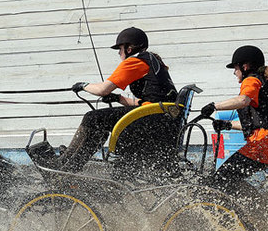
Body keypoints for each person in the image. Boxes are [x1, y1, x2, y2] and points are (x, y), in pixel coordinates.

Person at [29, 27, 178, 174]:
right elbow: (147, 103)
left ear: (129, 48)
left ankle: (66, 165)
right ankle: (71, 160)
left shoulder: (135, 62)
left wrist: (83, 86)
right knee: (102, 120)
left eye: (120, 49)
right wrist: (118, 98)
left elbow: (103, 90)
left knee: (93, 118)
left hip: (151, 120)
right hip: (159, 119)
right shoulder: (154, 62)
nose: (119, 53)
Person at [199, 45, 268, 191]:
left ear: (245, 66)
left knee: (220, 179)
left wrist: (213, 106)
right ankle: (256, 208)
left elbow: (243, 100)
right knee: (231, 180)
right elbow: (258, 124)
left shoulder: (251, 80)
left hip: (262, 145)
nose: (235, 73)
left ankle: (236, 211)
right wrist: (228, 125)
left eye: (235, 68)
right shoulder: (265, 83)